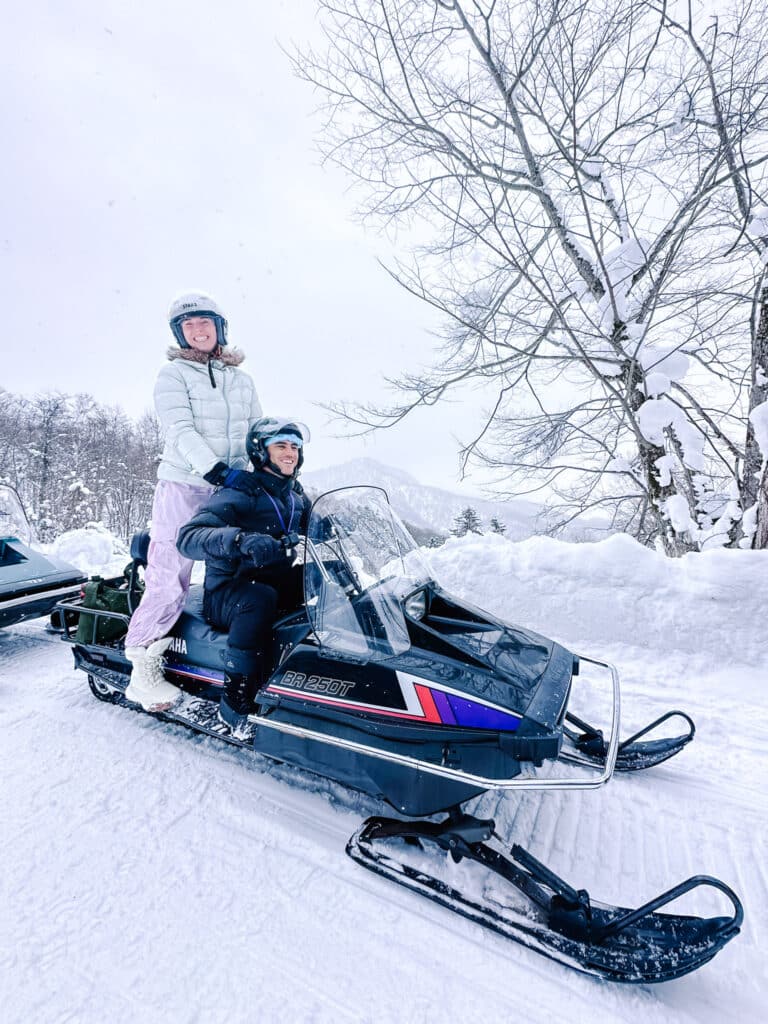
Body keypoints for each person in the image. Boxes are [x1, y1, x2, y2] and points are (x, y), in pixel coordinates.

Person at [124, 292, 262, 713]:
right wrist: (215, 470)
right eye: (188, 325)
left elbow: (255, 429)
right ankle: (141, 668)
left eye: (205, 322)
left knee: (240, 564)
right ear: (179, 334)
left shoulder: (243, 380)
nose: (198, 330)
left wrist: (268, 472)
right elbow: (180, 429)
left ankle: (231, 653)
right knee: (170, 569)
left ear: (220, 328)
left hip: (234, 485)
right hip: (185, 483)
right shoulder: (173, 374)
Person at [176, 418, 311, 735]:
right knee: (259, 599)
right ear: (261, 453)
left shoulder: (294, 496)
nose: (290, 453)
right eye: (281, 446)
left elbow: (309, 526)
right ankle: (235, 702)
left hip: (273, 581)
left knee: (321, 579)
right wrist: (238, 540)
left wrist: (336, 525)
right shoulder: (240, 492)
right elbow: (189, 538)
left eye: (294, 446)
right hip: (230, 593)